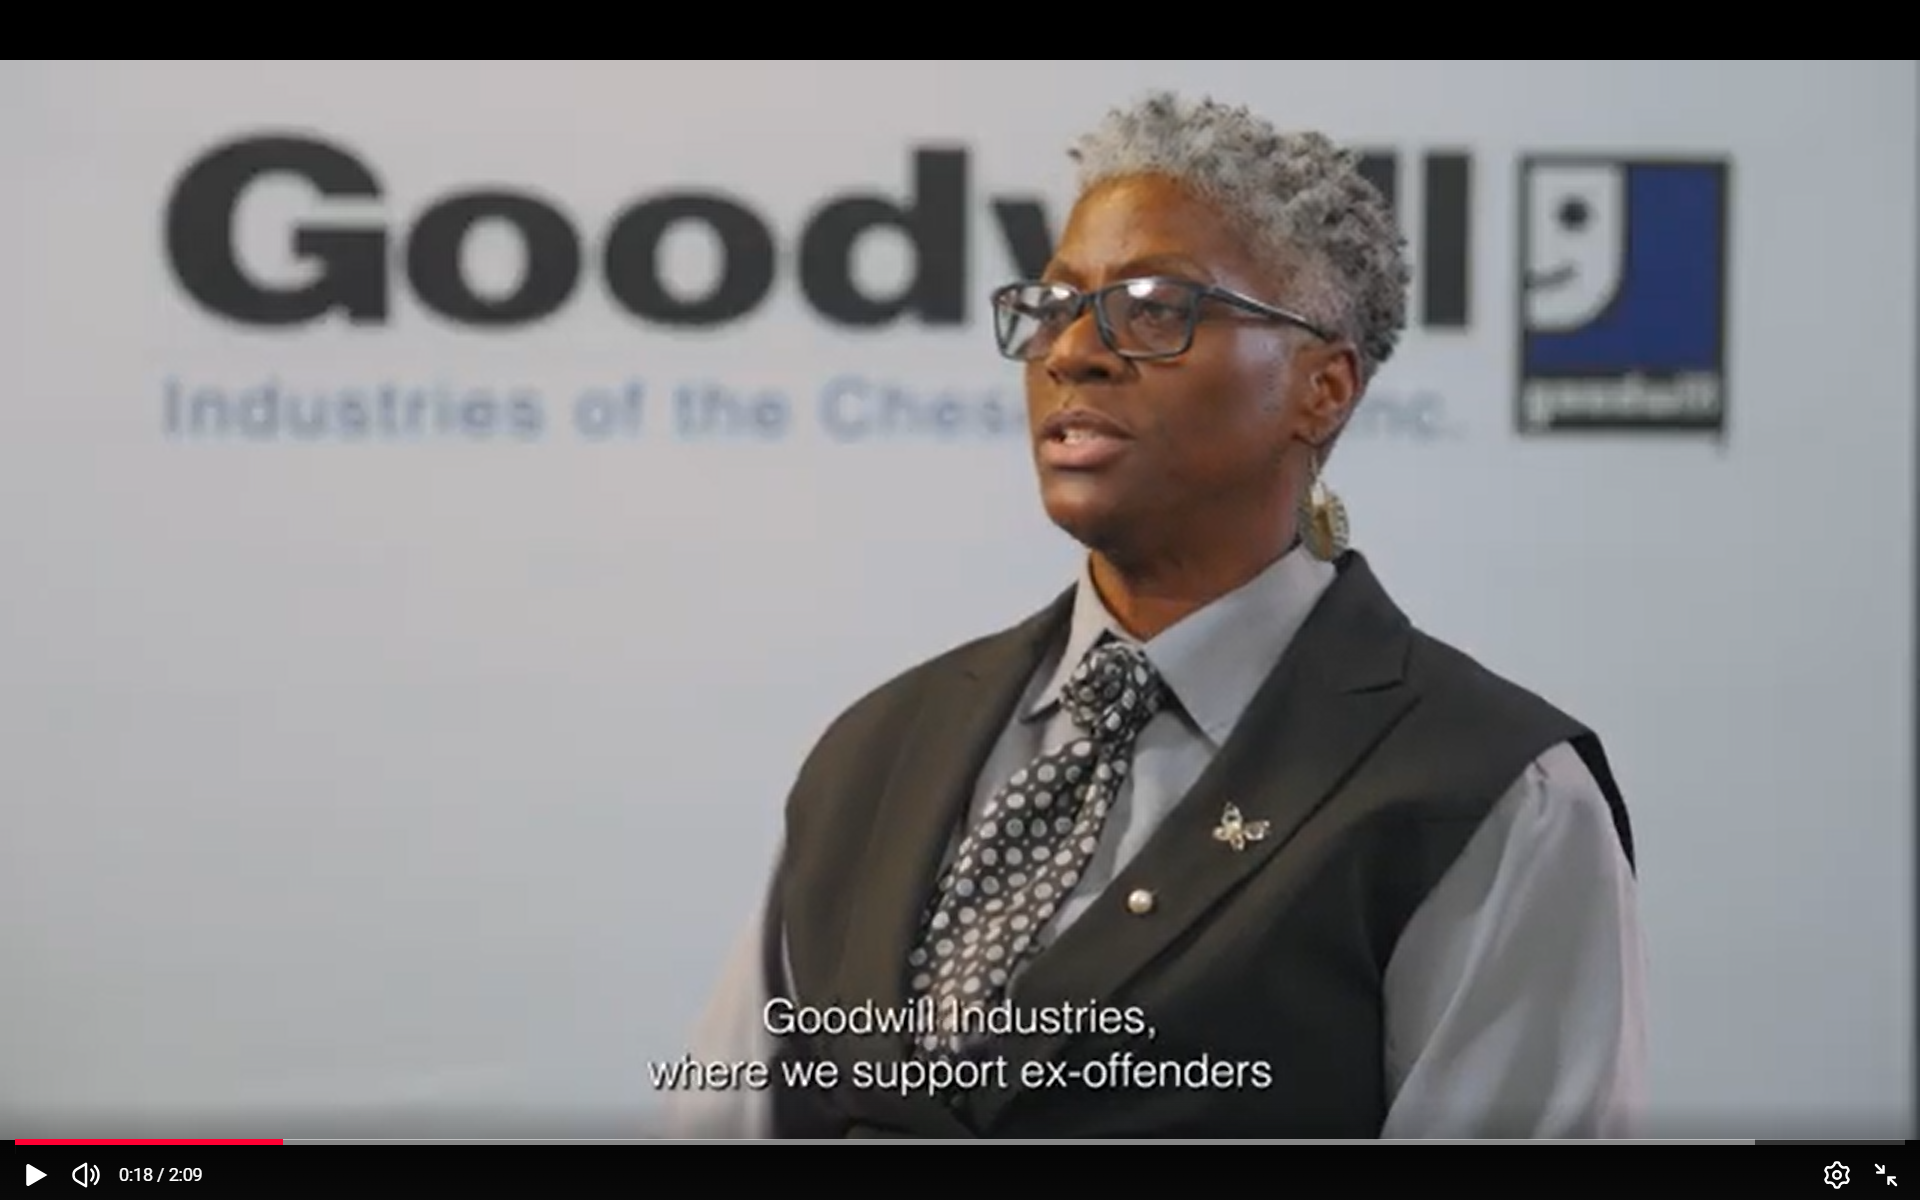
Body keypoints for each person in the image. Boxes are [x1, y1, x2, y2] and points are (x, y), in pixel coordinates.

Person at [663, 91, 1646, 1139]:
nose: (1071, 354)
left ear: (1323, 387)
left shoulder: (1492, 796)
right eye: (1053, 306)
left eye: (1153, 307)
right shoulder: (876, 751)